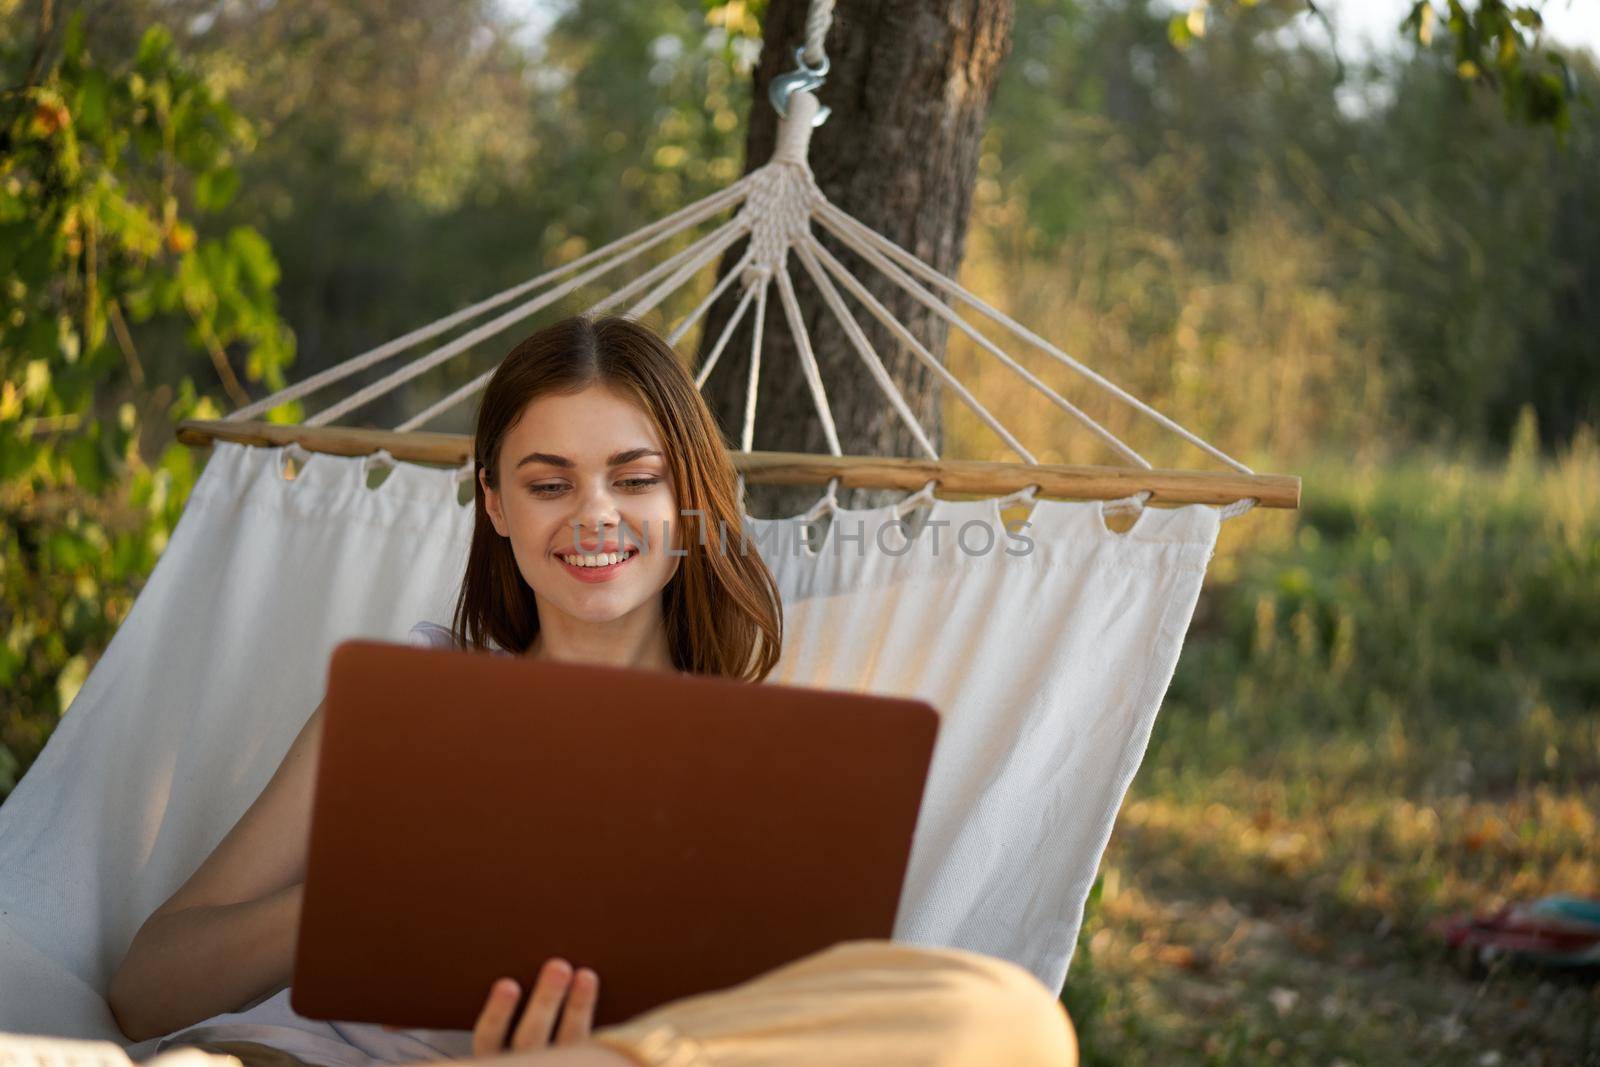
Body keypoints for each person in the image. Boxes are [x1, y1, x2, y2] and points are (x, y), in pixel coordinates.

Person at [105, 316, 1078, 1067]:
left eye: (635, 475)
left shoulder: (769, 752)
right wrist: (370, 893)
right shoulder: (411, 702)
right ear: (495, 504)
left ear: (685, 500)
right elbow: (147, 991)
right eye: (549, 482)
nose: (596, 514)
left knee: (1009, 1017)